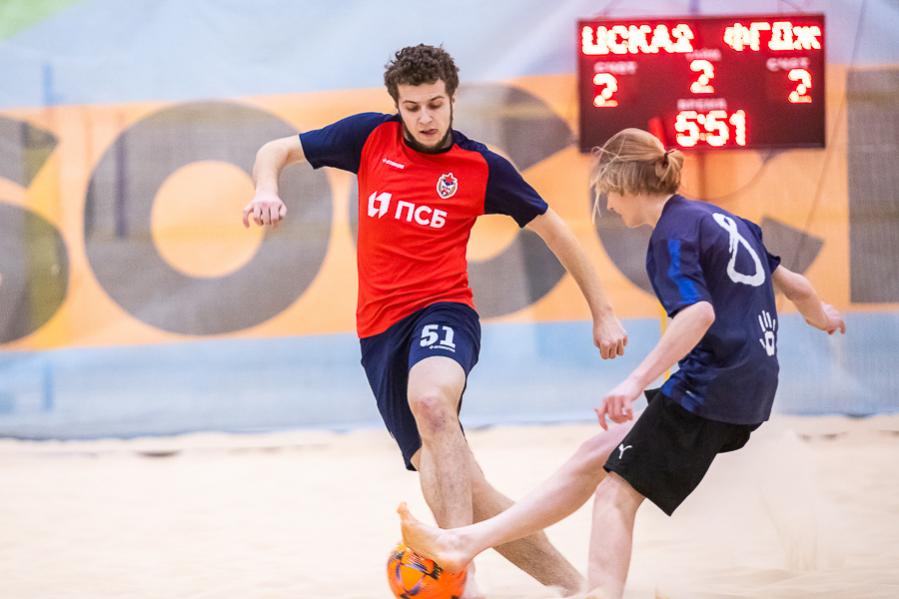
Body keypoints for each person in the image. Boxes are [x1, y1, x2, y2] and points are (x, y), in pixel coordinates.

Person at [242, 44, 628, 598]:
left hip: (444, 310)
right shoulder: (369, 137)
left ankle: (458, 575)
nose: (424, 118)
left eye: (435, 105)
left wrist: (603, 313)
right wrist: (265, 187)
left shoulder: (481, 166)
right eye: (412, 107)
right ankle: (575, 587)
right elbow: (275, 149)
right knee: (465, 485)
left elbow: (555, 230)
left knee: (430, 400)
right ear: (397, 105)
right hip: (379, 331)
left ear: (452, 100)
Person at [398, 127, 847, 598]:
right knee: (595, 455)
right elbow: (796, 285)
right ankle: (464, 542)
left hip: (713, 389)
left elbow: (698, 314)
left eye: (608, 193)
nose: (609, 205)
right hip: (750, 383)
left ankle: (602, 592)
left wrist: (633, 382)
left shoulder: (671, 236)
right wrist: (823, 315)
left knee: (615, 493)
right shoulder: (723, 219)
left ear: (625, 183)